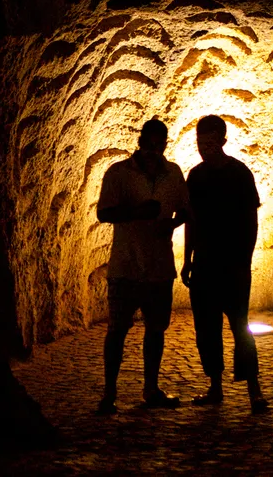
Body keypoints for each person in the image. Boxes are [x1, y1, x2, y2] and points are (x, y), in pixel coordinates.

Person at [95, 119, 189, 415]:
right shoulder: (119, 173)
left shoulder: (173, 174)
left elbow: (185, 208)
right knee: (117, 330)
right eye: (148, 144)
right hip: (125, 266)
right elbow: (104, 213)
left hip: (159, 266)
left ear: (164, 144)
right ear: (140, 142)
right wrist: (136, 212)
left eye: (158, 145)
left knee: (156, 329)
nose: (152, 150)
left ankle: (151, 387)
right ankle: (110, 392)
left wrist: (171, 224)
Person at [181, 115, 269, 414]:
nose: (204, 149)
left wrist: (245, 259)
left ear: (222, 141)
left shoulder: (239, 174)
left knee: (239, 326)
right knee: (206, 328)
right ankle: (215, 387)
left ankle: (254, 389)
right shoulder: (196, 176)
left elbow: (251, 220)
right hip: (205, 262)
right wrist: (187, 258)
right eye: (200, 143)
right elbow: (191, 219)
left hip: (232, 263)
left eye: (209, 143)